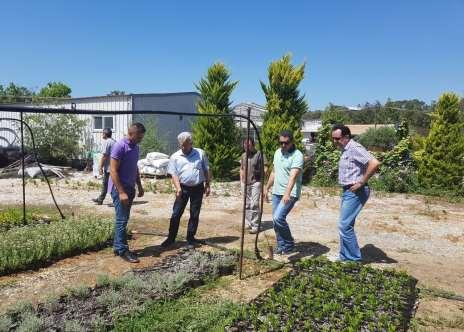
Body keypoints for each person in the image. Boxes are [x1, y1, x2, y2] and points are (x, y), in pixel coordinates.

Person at [332, 124, 380, 262]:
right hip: (348, 191)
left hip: (356, 191)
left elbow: (374, 163)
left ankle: (352, 259)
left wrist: (361, 182)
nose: (335, 141)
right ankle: (345, 257)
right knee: (347, 225)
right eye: (333, 139)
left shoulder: (354, 148)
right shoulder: (345, 148)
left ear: (346, 137)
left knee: (344, 225)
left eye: (337, 139)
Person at [161, 132, 211, 249]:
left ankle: (190, 238)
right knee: (176, 213)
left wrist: (207, 185)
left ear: (191, 143)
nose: (183, 147)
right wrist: (178, 188)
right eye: (181, 145)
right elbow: (174, 174)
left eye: (185, 144)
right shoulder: (175, 157)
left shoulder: (200, 153)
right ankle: (171, 238)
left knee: (194, 214)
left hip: (198, 188)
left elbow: (206, 169)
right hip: (182, 188)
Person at [109, 123, 146, 263]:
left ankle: (118, 247)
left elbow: (134, 167)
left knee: (123, 219)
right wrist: (121, 192)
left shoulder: (136, 147)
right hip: (120, 189)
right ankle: (123, 250)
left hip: (130, 188)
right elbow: (113, 170)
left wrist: (139, 186)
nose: (141, 140)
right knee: (122, 220)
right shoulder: (120, 146)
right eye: (139, 137)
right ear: (131, 134)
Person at [264, 130, 304, 256]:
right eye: (281, 142)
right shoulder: (277, 153)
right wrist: (267, 188)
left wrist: (287, 194)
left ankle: (289, 243)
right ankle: (282, 246)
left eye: (286, 143)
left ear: (291, 142)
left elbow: (293, 177)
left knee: (278, 218)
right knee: (276, 222)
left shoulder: (297, 155)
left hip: (290, 193)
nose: (283, 145)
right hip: (277, 192)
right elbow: (274, 172)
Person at [240, 137, 267, 234]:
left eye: (249, 145)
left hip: (256, 182)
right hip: (245, 183)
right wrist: (241, 180)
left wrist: (263, 175)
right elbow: (242, 168)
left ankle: (256, 225)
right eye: (245, 145)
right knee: (246, 204)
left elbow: (266, 167)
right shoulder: (243, 155)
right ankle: (250, 222)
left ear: (253, 145)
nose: (246, 147)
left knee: (254, 204)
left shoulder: (260, 154)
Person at [92, 128, 116, 205]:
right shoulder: (113, 141)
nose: (102, 135)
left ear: (105, 134)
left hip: (110, 168)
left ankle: (116, 201)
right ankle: (100, 199)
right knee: (105, 184)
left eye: (102, 133)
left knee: (110, 185)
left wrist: (100, 167)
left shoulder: (107, 142)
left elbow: (104, 156)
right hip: (112, 167)